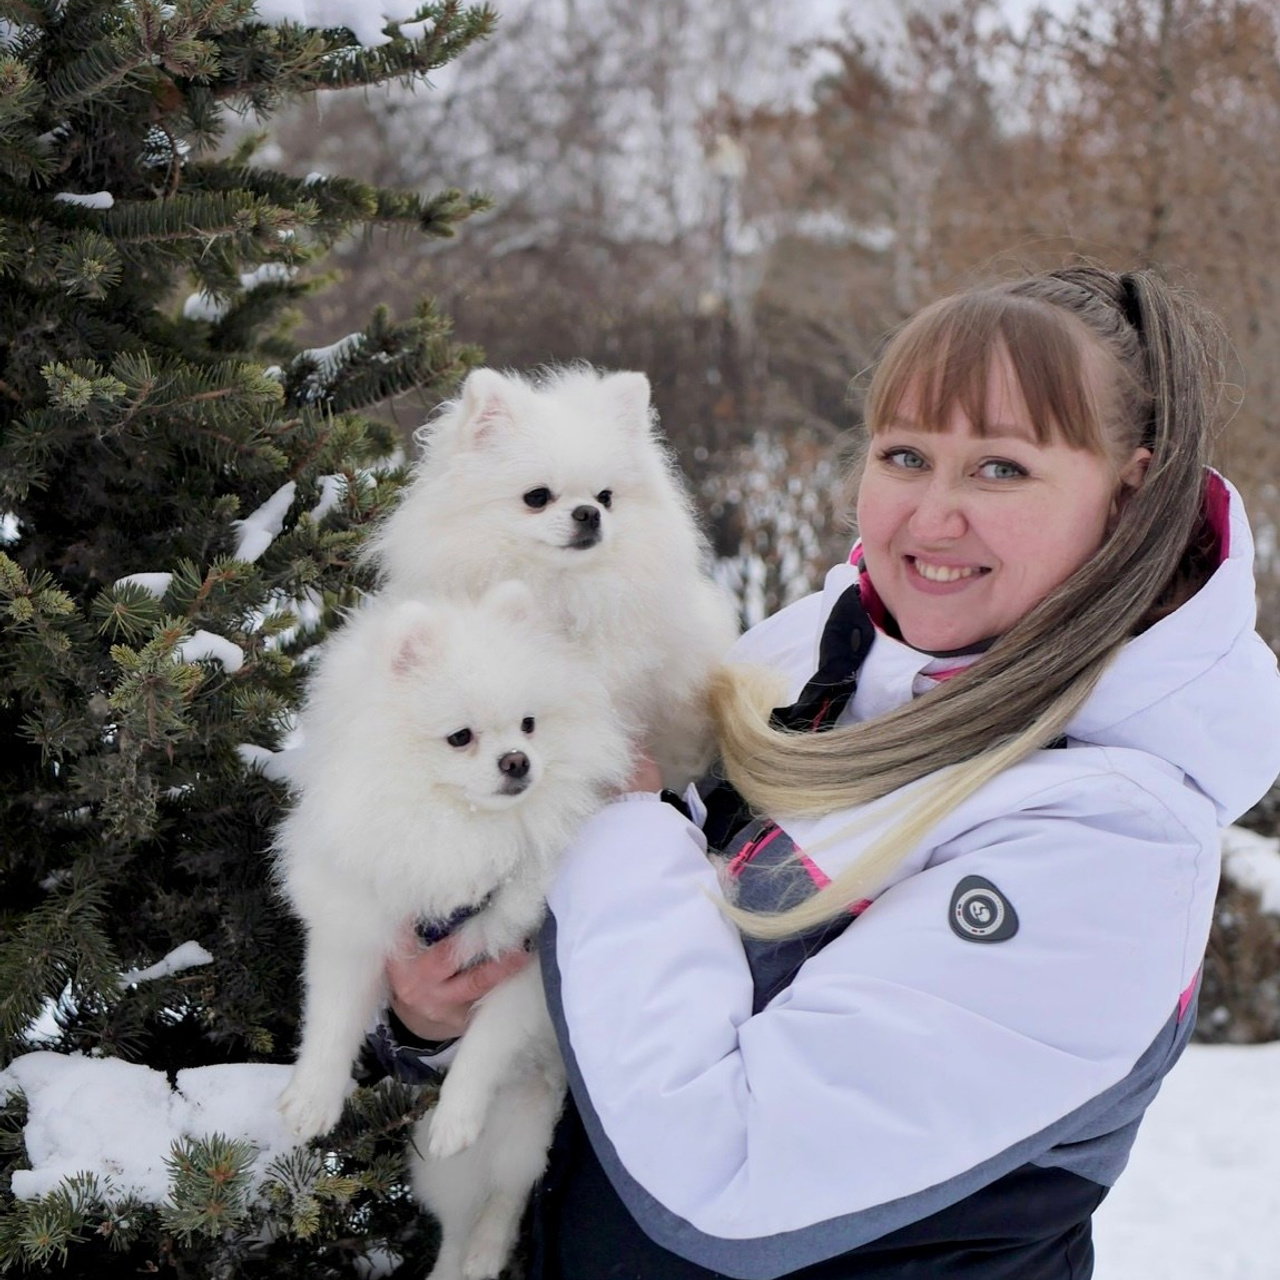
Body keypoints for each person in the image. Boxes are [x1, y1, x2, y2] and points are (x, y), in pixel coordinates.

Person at [378, 265, 1280, 1278]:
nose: (930, 516)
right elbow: (631, 974)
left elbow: (730, 1165)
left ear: (1127, 493)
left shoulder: (1114, 837)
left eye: (1000, 470)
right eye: (903, 453)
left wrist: (609, 824)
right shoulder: (817, 651)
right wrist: (437, 1016)